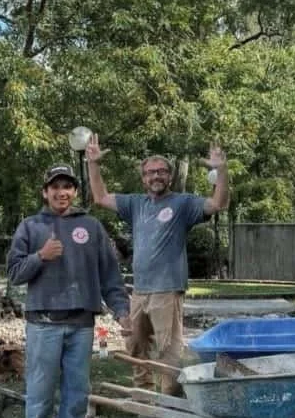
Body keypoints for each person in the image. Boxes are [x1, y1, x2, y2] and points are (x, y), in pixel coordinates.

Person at [7, 165, 131, 418]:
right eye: (55, 187)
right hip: (43, 323)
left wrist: (121, 311)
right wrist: (40, 257)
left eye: (67, 187)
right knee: (41, 391)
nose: (61, 192)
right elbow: (14, 274)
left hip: (82, 325)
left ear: (74, 192)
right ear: (45, 192)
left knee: (77, 392)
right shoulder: (30, 226)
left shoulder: (90, 226)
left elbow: (110, 275)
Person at [86, 135, 229, 394]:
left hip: (168, 289)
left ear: (170, 176)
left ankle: (170, 399)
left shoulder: (183, 204)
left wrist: (221, 170)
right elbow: (100, 197)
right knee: (136, 344)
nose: (156, 176)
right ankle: (143, 393)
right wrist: (93, 164)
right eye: (150, 173)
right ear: (143, 179)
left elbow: (218, 203)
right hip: (139, 291)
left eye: (161, 171)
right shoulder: (135, 204)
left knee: (168, 349)